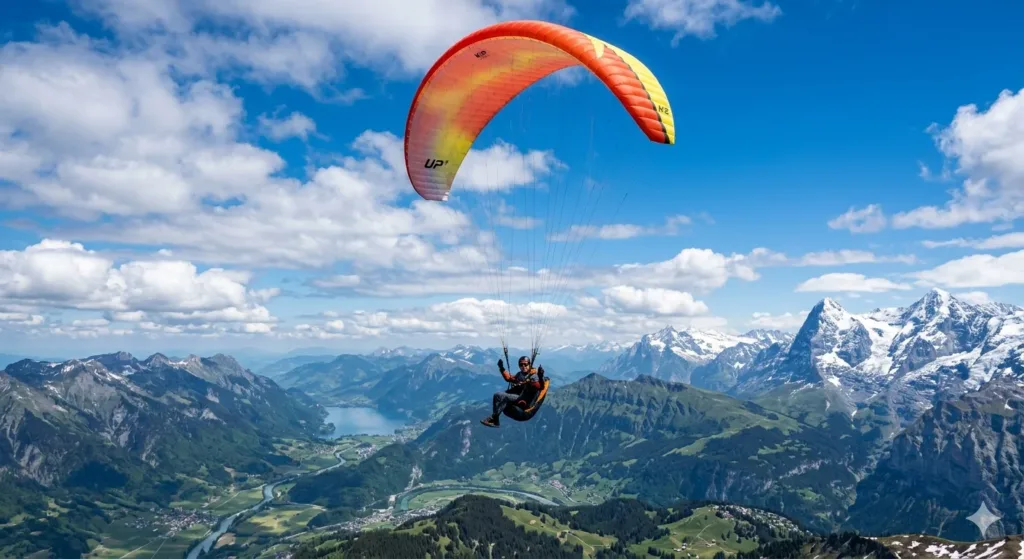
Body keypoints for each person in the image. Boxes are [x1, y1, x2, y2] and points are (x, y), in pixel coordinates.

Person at [480, 355, 544, 428]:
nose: (523, 366)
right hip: (519, 396)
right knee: (497, 395)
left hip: (525, 399)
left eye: (525, 364)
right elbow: (509, 378)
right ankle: (495, 419)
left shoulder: (533, 376)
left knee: (501, 396)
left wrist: (540, 376)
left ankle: (494, 419)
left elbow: (540, 387)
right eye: (521, 364)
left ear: (529, 364)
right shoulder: (520, 374)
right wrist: (501, 368)